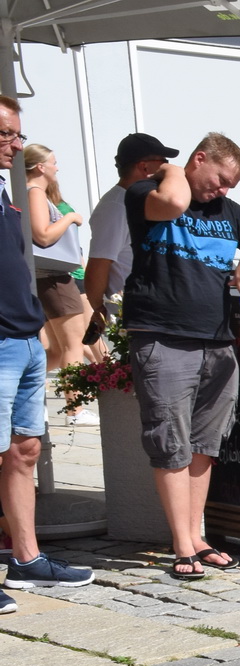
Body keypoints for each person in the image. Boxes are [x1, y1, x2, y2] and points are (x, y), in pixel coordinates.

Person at [125, 133, 240, 580]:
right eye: (219, 180)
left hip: (218, 341)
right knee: (170, 442)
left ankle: (197, 536)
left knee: (204, 443)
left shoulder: (227, 211)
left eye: (230, 186)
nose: (223, 192)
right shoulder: (150, 192)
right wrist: (172, 169)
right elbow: (175, 205)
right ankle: (181, 543)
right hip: (164, 336)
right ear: (198, 160)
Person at [0, 97, 96, 606]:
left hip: (23, 335)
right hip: (0, 342)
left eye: (18, 135)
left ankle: (27, 560)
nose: (16, 145)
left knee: (25, 451)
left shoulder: (4, 188)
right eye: (7, 135)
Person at [84, 133, 175, 330]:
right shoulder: (116, 206)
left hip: (148, 313)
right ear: (144, 167)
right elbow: (98, 264)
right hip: (134, 317)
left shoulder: (128, 201)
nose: (166, 167)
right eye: (163, 162)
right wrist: (100, 308)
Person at [22, 145, 91, 376]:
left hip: (46, 278)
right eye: (54, 162)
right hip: (54, 278)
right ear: (41, 167)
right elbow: (42, 235)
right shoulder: (35, 192)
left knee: (56, 352)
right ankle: (76, 410)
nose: (57, 167)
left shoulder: (28, 192)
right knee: (74, 346)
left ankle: (25, 392)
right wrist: (70, 217)